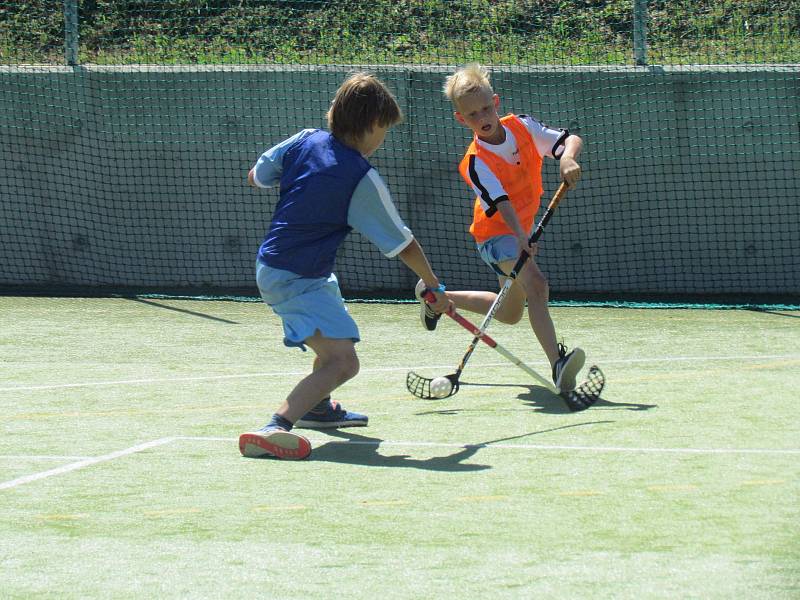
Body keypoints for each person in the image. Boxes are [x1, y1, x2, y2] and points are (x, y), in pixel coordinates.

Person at [239, 72, 451, 460]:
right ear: (372, 126)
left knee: (333, 336)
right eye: (384, 131)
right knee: (343, 361)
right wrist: (431, 283)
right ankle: (274, 427)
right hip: (295, 277)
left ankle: (318, 410)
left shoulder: (303, 140)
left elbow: (258, 177)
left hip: (290, 269)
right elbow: (402, 242)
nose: (383, 140)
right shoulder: (361, 177)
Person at [415, 63, 585, 394]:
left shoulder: (522, 126)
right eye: (473, 115)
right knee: (537, 285)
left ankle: (436, 297)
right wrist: (522, 239)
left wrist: (567, 159)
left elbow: (569, 140)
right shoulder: (475, 162)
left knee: (509, 314)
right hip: (495, 235)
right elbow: (502, 203)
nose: (482, 118)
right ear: (461, 119)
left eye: (485, 109)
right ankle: (558, 364)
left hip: (520, 230)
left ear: (495, 101)